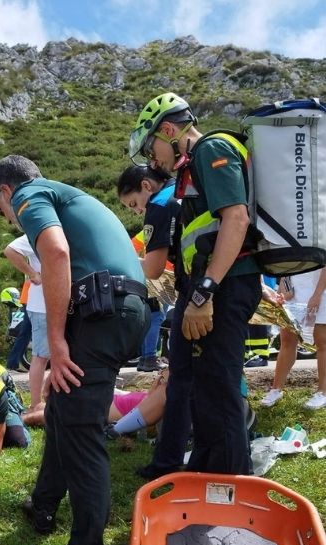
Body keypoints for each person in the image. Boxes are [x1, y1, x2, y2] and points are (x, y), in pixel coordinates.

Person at [0, 154, 147, 545]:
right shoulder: (67, 196)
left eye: (0, 209)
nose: (7, 216)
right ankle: (43, 504)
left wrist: (55, 341)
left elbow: (56, 252)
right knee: (61, 406)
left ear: (4, 193)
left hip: (103, 311)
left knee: (80, 430)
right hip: (116, 308)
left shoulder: (28, 193)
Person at [130, 92, 263, 474]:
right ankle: (204, 470)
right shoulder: (189, 171)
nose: (152, 159)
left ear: (169, 130)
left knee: (220, 387)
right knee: (202, 386)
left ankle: (233, 480)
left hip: (225, 286)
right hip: (206, 287)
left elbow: (235, 219)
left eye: (152, 146)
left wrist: (204, 292)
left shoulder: (211, 150)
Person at [116, 163, 193, 480]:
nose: (136, 211)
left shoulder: (159, 206)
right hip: (210, 287)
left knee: (181, 379)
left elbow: (154, 269)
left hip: (194, 294)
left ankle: (168, 460)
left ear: (147, 186)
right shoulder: (182, 191)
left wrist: (125, 263)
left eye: (134, 204)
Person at [261, 271, 326, 409]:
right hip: (294, 296)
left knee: (322, 343)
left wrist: (317, 295)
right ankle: (276, 389)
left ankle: (322, 393)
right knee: (287, 341)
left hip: (321, 291)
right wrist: (282, 292)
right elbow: (288, 265)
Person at [2, 235, 49, 410]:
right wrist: (33, 274)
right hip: (38, 304)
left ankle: (43, 399)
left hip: (51, 302)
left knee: (47, 353)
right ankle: (36, 403)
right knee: (39, 354)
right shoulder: (36, 231)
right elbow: (10, 250)